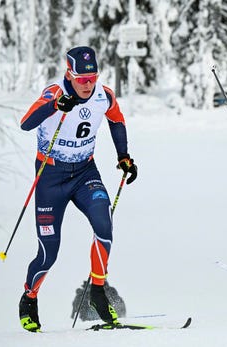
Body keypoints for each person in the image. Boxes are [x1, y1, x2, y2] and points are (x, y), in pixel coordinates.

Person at [18, 46, 138, 332]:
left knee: (103, 224)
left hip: (85, 172)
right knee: (49, 253)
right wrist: (54, 107)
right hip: (50, 177)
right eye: (81, 79)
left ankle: (97, 290)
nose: (87, 84)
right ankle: (29, 298)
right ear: (69, 74)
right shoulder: (54, 93)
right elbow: (25, 124)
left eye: (92, 77)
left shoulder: (103, 95)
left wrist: (123, 155)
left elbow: (116, 119)